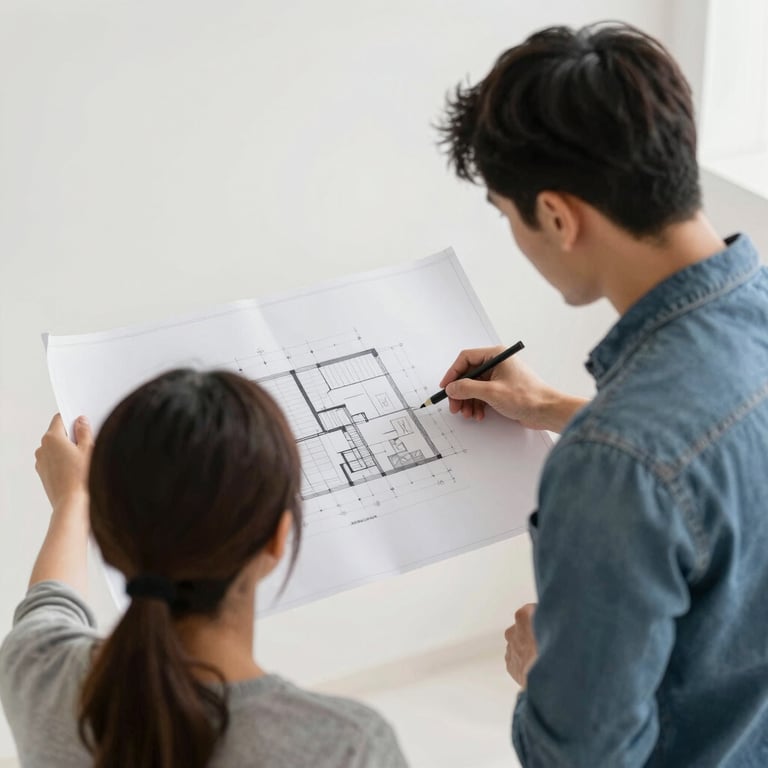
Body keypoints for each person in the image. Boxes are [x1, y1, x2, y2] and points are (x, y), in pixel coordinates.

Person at [437, 21, 768, 768]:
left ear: (556, 215)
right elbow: (722, 468)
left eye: (506, 215)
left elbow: (587, 758)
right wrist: (553, 407)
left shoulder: (613, 465)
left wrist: (540, 674)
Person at [0, 370, 408, 768]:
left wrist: (73, 500)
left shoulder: (36, 671)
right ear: (276, 538)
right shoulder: (346, 747)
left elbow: (49, 604)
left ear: (108, 536)